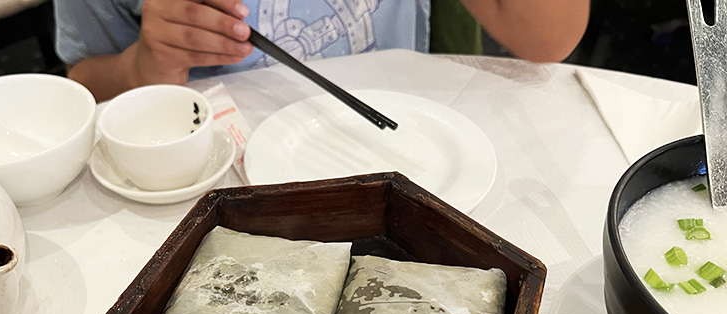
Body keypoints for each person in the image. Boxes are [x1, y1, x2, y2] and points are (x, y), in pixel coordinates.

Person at [55, 0, 590, 102]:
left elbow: (550, 34)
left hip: (397, 138)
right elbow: (84, 79)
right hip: (209, 176)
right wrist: (143, 65)